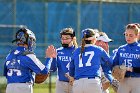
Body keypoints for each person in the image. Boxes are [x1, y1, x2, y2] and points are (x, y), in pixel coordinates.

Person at [3, 28, 50, 93]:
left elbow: (6, 74)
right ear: (27, 40)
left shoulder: (9, 55)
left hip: (9, 87)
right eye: (31, 40)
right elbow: (45, 71)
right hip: (23, 87)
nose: (32, 43)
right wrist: (49, 58)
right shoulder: (28, 55)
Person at [69, 28, 114, 93]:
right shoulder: (98, 49)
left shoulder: (76, 51)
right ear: (94, 39)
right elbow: (110, 62)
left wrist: (72, 77)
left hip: (77, 84)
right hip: (93, 83)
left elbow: (71, 69)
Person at [45, 28, 78, 93]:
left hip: (75, 83)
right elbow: (53, 69)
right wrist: (54, 58)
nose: (64, 40)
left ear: (73, 38)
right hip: (61, 84)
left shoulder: (78, 51)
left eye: (66, 38)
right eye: (62, 38)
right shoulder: (58, 51)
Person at [113, 23, 140, 93]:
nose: (128, 37)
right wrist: (118, 69)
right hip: (123, 80)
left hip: (137, 80)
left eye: (131, 35)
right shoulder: (121, 49)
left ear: (137, 35)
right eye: (126, 35)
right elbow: (114, 64)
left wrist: (132, 69)